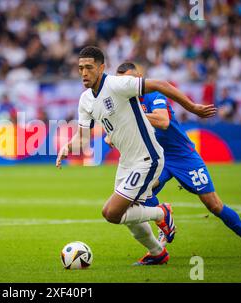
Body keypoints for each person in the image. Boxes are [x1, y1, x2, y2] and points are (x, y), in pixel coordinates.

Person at [56, 46, 216, 265]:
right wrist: (68, 148)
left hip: (147, 158)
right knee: (127, 215)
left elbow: (160, 84)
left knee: (111, 213)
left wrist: (192, 107)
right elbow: (82, 139)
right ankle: (157, 253)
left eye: (89, 68)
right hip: (127, 162)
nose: (84, 73)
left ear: (101, 68)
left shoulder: (117, 84)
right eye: (81, 68)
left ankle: (161, 212)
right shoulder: (85, 100)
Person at [113, 62, 241, 257]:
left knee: (214, 205)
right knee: (142, 192)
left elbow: (163, 121)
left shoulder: (153, 95)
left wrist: (133, 116)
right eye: (122, 81)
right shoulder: (124, 102)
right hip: (159, 159)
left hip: (183, 156)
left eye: (130, 80)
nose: (126, 84)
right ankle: (165, 222)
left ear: (139, 78)